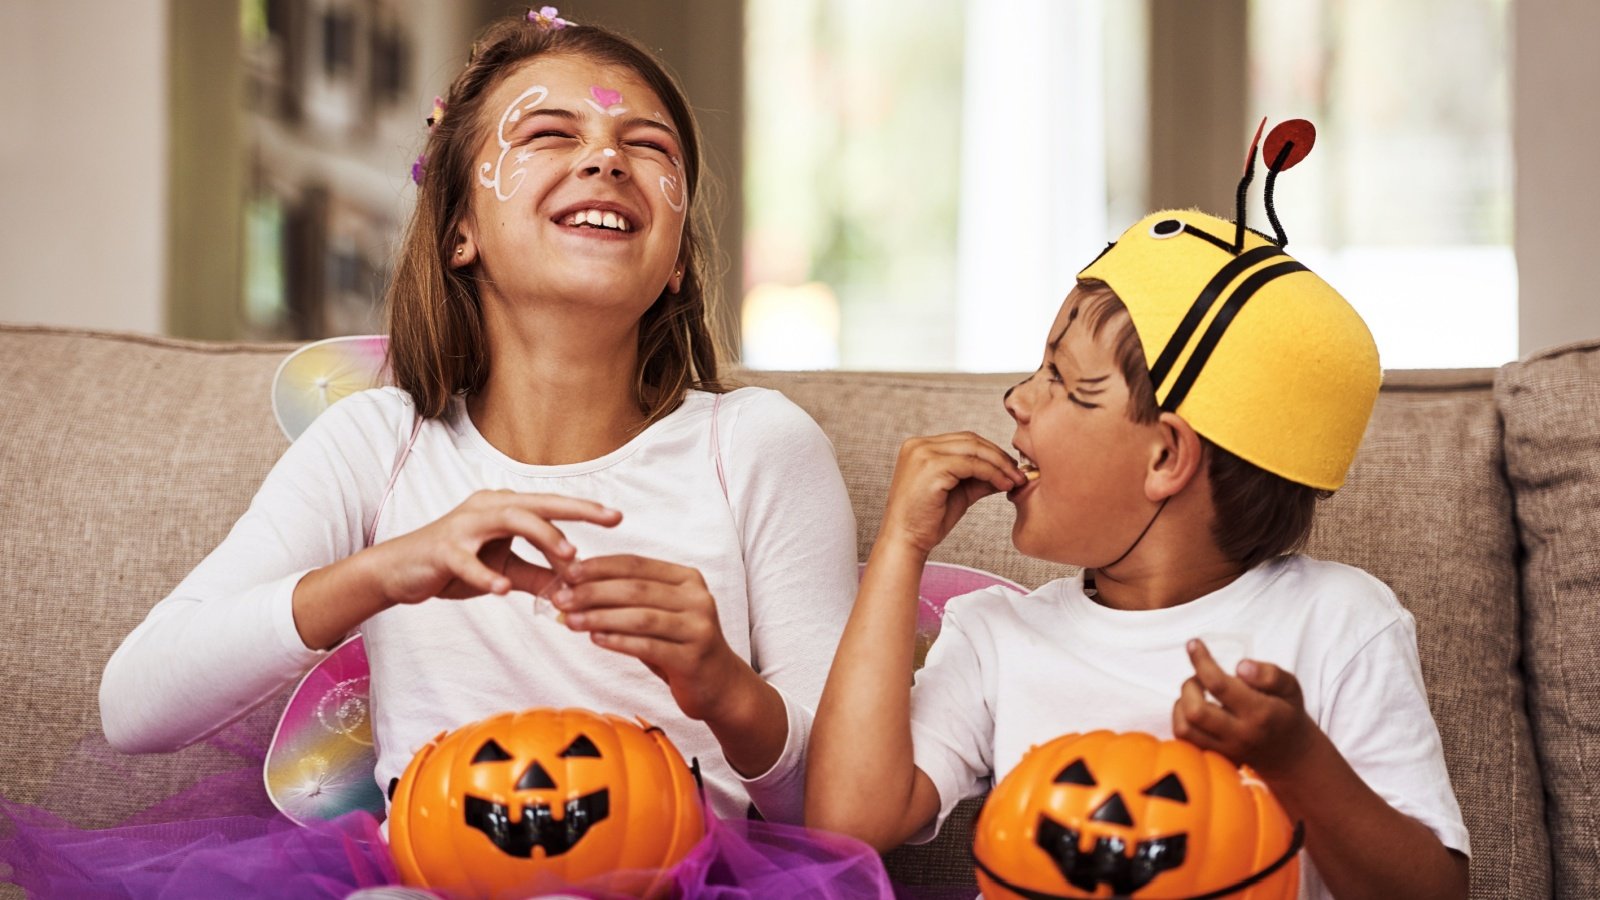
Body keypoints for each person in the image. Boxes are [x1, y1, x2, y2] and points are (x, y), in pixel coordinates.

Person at [99, 11, 857, 831]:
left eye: (649, 146)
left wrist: (725, 687)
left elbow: (842, 812)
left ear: (676, 260)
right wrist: (382, 573)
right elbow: (136, 705)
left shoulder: (754, 447)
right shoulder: (378, 446)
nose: (606, 156)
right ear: (459, 228)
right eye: (550, 132)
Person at [807, 125, 1471, 899]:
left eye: (1062, 381)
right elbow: (843, 823)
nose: (1017, 400)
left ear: (1165, 457)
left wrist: (1298, 762)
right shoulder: (998, 638)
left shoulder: (1339, 624)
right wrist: (901, 543)